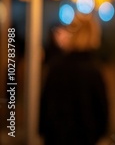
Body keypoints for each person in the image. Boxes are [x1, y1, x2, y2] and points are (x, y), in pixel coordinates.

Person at [39, 13, 109, 145]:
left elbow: (45, 105)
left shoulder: (56, 67)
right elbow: (101, 111)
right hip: (86, 138)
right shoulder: (94, 71)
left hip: (56, 138)